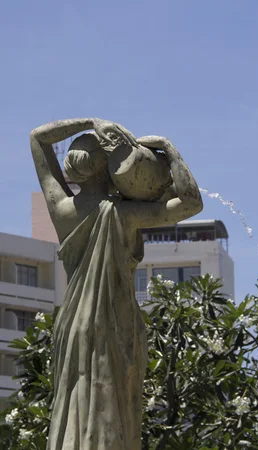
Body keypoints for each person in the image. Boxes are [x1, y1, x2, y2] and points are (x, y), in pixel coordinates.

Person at [29, 118, 203, 450]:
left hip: (73, 326)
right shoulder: (125, 214)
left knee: (72, 408)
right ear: (108, 171)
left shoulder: (61, 208)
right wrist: (169, 150)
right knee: (114, 414)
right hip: (114, 323)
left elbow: (38, 138)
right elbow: (192, 203)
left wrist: (90, 122)